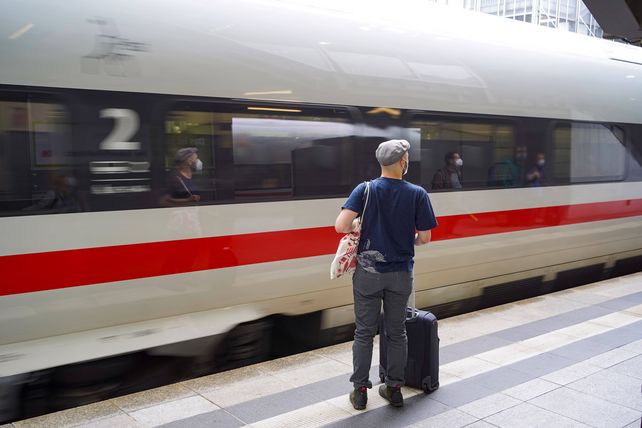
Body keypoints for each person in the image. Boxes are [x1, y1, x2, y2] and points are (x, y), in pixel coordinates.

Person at [334, 139, 437, 410]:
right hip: (401, 274)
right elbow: (425, 238)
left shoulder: (365, 189)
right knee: (397, 332)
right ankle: (394, 389)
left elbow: (341, 226)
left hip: (368, 274)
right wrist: (406, 240)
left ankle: (360, 392)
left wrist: (357, 224)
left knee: (363, 333)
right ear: (403, 162)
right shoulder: (417, 193)